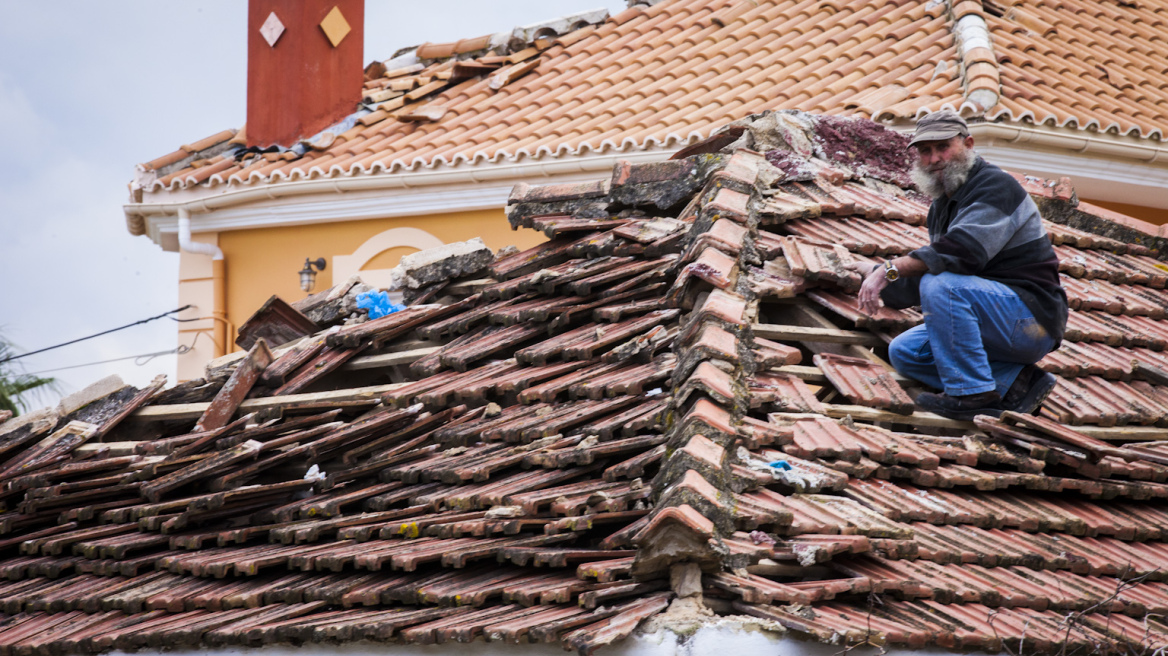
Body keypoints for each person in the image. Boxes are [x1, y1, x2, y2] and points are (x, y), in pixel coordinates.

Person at [850, 109, 1068, 421]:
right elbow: (927, 268)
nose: (935, 158)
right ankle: (1017, 384)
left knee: (942, 285)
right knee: (905, 352)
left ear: (968, 143)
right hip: (993, 325)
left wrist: (887, 269)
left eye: (943, 147)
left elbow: (962, 252)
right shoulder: (941, 207)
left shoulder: (997, 186)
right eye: (925, 151)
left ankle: (973, 394)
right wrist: (870, 274)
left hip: (1031, 323)